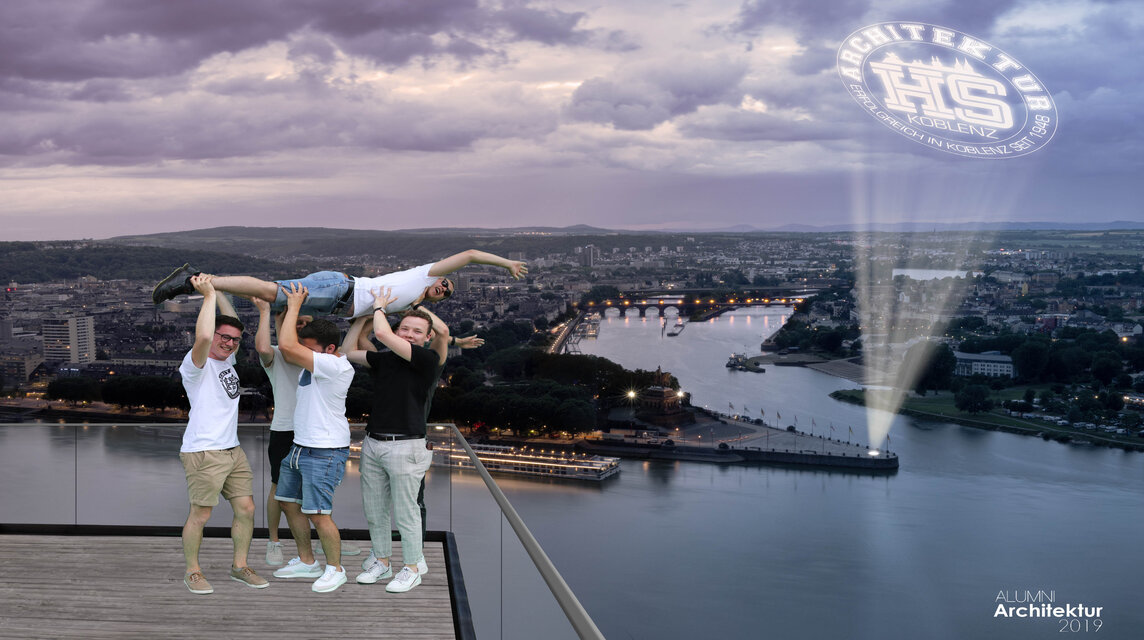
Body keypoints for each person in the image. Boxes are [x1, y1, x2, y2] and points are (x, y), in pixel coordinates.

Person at [345, 287, 448, 593]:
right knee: (374, 510)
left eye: (417, 331)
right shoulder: (386, 360)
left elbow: (383, 332)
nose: (410, 334)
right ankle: (382, 560)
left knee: (406, 512)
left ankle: (412, 567)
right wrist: (359, 320)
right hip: (374, 442)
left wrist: (378, 307)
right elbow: (346, 352)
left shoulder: (426, 359)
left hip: (407, 445)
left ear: (427, 338)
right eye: (405, 328)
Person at [178, 274, 268, 594]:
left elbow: (233, 322)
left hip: (232, 450)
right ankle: (193, 572)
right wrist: (206, 297)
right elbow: (203, 337)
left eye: (234, 340)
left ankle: (239, 566)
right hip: (204, 450)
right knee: (200, 514)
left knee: (247, 509)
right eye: (223, 337)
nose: (229, 342)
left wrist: (216, 286)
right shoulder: (195, 365)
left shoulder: (227, 357)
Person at [269, 284, 357, 592]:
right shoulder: (321, 360)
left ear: (329, 350)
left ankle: (336, 568)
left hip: (325, 450)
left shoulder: (334, 366)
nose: (303, 352)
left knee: (319, 514)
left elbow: (288, 347)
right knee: (288, 503)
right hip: (300, 446)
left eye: (310, 348)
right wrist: (286, 316)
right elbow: (286, 346)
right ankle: (308, 562)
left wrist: (294, 305)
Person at [152, 249, 528, 317]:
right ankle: (196, 281)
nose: (443, 287)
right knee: (268, 290)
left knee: (272, 301)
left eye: (446, 292)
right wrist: (505, 263)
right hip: (340, 290)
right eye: (446, 283)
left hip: (335, 300)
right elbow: (471, 254)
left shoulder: (411, 304)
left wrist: (456, 341)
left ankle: (203, 284)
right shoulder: (424, 275)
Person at [251, 298, 309, 566]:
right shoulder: (277, 356)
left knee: (314, 488)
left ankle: (313, 541)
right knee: (278, 488)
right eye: (296, 325)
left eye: (305, 326)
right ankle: (273, 541)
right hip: (285, 430)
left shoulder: (317, 357)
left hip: (314, 432)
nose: (300, 328)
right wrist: (266, 313)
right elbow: (262, 346)